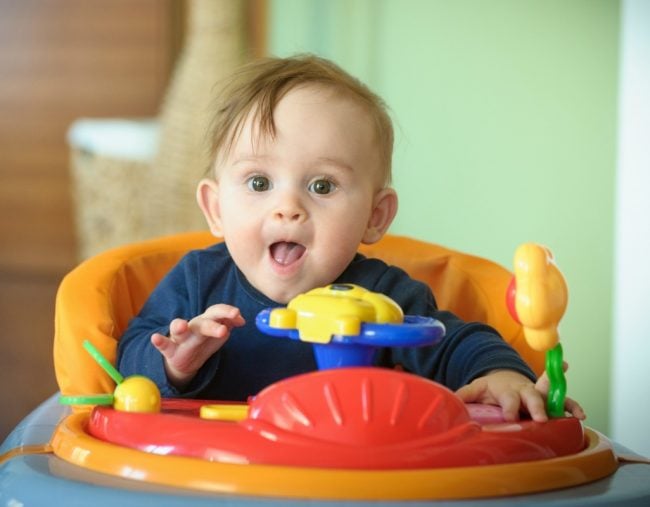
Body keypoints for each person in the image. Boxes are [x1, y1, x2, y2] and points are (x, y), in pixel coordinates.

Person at [117, 54, 584, 422]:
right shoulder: (198, 282)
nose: (288, 206)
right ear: (216, 208)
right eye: (259, 183)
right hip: (212, 477)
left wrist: (500, 375)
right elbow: (131, 358)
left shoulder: (383, 298)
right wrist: (176, 363)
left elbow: (456, 343)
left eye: (322, 186)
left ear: (374, 217)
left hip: (346, 482)